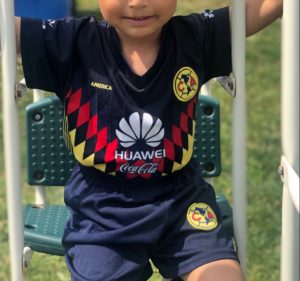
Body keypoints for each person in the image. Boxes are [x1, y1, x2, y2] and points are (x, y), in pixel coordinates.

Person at [15, 0, 282, 280]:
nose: (138, 2)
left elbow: (263, 8)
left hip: (182, 203)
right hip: (102, 213)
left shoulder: (196, 36)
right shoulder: (72, 42)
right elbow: (10, 31)